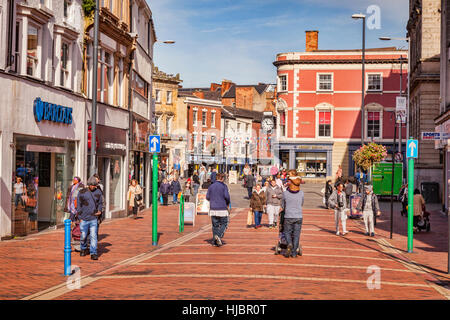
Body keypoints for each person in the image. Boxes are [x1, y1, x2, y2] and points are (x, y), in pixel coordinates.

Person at [77, 176, 104, 260]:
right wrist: (80, 217)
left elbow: (100, 203)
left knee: (93, 236)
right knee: (83, 236)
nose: (93, 187)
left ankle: (93, 253)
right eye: (91, 185)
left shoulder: (98, 192)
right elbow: (79, 205)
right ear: (88, 184)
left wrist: (99, 210)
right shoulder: (82, 192)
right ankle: (83, 248)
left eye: (94, 185)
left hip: (93, 218)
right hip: (84, 218)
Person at [281, 170, 304, 258]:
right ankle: (294, 253)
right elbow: (302, 203)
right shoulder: (301, 193)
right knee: (297, 235)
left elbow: (282, 205)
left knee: (287, 232)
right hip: (298, 216)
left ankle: (289, 243)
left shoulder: (285, 193)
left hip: (288, 216)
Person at [206, 173, 231, 247]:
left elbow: (207, 197)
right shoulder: (224, 186)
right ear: (222, 178)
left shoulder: (211, 186)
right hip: (222, 208)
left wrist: (213, 200)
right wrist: (227, 203)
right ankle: (219, 236)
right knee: (225, 223)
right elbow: (227, 196)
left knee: (215, 225)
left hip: (213, 208)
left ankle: (215, 241)